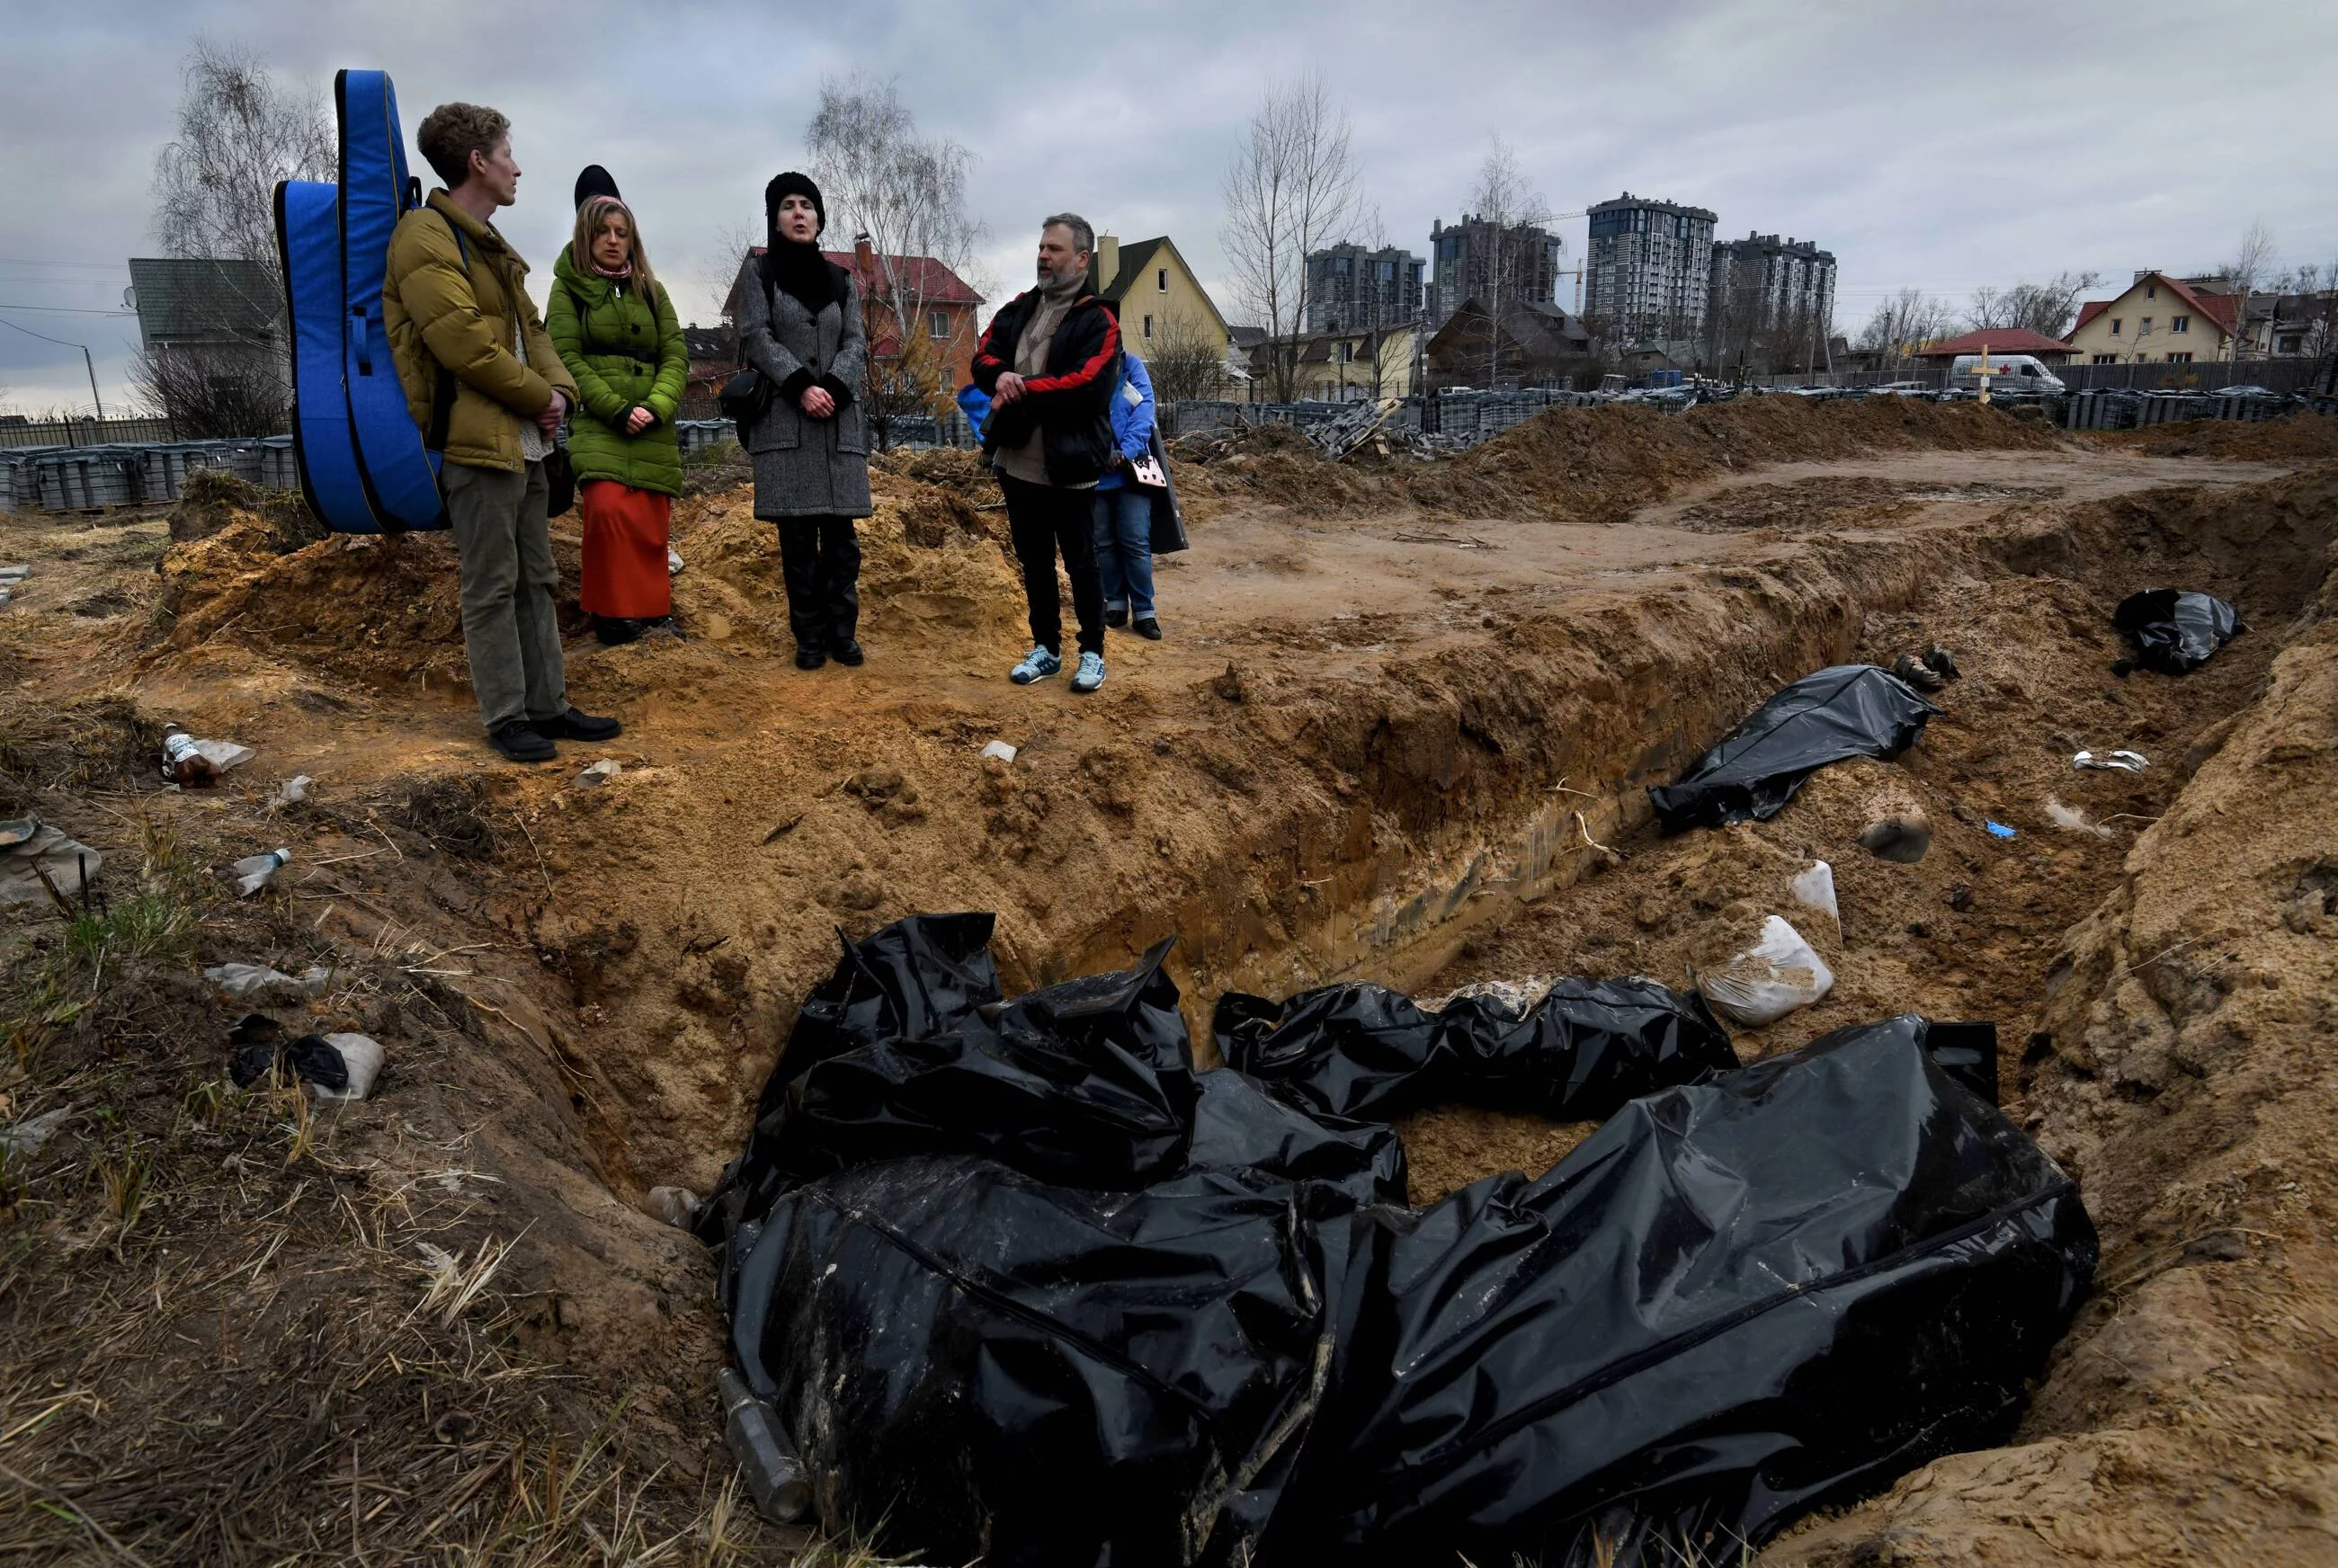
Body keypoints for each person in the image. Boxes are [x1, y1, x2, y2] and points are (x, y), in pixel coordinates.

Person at [384, 102, 620, 763]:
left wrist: (562, 396)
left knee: (537, 577)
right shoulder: (424, 236)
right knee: (490, 584)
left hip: (525, 443)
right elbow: (463, 345)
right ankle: (507, 716)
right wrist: (539, 395)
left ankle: (548, 705)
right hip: (474, 443)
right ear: (477, 162)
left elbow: (534, 335)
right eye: (508, 152)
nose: (518, 166)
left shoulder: (492, 247)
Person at [968, 213, 1121, 693]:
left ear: (1081, 258)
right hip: (1018, 462)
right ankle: (1047, 650)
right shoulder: (1020, 307)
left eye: (1053, 249)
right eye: (1041, 247)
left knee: (1081, 563)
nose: (1042, 256)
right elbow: (982, 354)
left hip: (1071, 463)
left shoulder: (1100, 319)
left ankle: (1092, 653)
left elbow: (1089, 386)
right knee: (1034, 562)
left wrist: (1021, 387)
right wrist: (1000, 377)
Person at [736, 172, 871, 670]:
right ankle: (809, 638)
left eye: (808, 206)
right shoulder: (760, 273)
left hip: (838, 424)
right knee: (797, 543)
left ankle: (843, 634)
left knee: (842, 542)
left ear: (819, 218)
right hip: (786, 424)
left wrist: (833, 386)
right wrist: (801, 386)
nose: (799, 213)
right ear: (775, 217)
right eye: (789, 205)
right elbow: (757, 335)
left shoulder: (842, 280)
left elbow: (856, 343)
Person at [547, 176, 689, 646]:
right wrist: (614, 407)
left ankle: (649, 611)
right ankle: (611, 613)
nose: (612, 240)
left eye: (621, 232)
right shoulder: (567, 291)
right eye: (603, 232)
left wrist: (657, 404)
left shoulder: (653, 291)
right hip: (600, 421)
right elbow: (565, 357)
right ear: (586, 235)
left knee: (650, 521)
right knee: (607, 512)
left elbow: (676, 355)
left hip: (651, 421)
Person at [1091, 349, 1162, 639]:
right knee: (1103, 543)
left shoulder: (1130, 366)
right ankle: (1116, 604)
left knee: (1135, 541)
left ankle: (1145, 611)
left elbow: (1144, 409)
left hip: (1133, 470)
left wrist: (1126, 451)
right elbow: (1079, 411)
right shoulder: (1084, 365)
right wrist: (1103, 450)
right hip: (1096, 469)